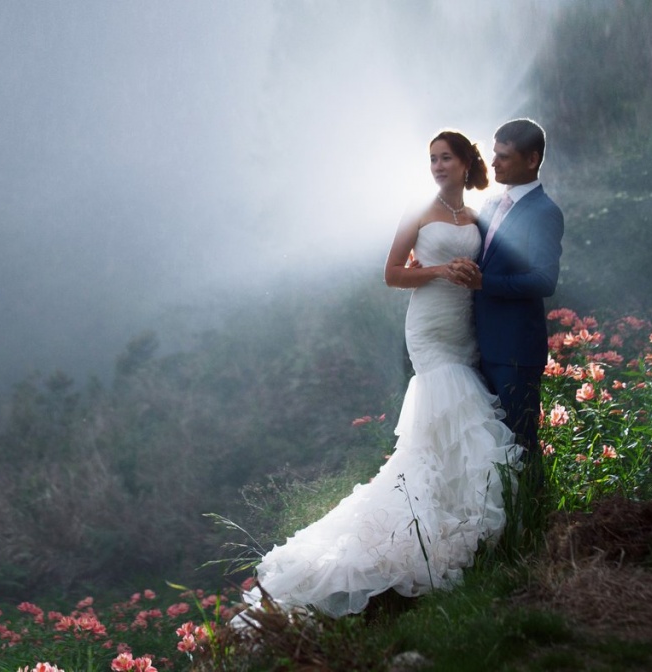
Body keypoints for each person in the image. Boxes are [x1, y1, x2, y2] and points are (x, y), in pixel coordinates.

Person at [235, 130, 521, 622]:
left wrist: (469, 279)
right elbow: (391, 273)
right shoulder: (418, 210)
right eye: (432, 159)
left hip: (463, 324)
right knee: (455, 408)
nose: (437, 166)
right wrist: (437, 271)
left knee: (456, 421)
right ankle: (423, 531)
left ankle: (457, 521)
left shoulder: (476, 216)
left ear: (465, 162)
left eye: (445, 158)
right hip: (429, 327)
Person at [457, 118, 564, 494]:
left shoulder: (544, 212)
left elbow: (544, 280)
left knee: (520, 443)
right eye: (494, 154)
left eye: (504, 156)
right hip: (478, 343)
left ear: (531, 159)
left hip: (515, 350)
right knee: (488, 444)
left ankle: (533, 520)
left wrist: (485, 283)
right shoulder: (490, 203)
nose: (494, 163)